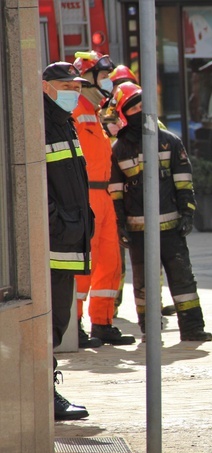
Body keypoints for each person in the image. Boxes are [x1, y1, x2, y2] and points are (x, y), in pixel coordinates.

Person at [108, 82, 212, 342]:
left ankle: (192, 328)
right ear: (124, 114)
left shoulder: (170, 142)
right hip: (138, 231)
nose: (141, 111)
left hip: (171, 228)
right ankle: (150, 330)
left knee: (183, 279)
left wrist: (188, 215)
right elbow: (116, 191)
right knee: (144, 285)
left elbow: (184, 182)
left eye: (145, 105)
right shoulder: (119, 149)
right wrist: (120, 224)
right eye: (134, 107)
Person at [72, 50, 136, 347]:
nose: (108, 82)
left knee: (110, 263)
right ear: (85, 78)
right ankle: (75, 326)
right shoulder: (74, 111)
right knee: (84, 265)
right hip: (87, 194)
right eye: (102, 76)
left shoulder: (95, 112)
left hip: (105, 195)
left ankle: (103, 323)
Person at [42, 61, 93, 420]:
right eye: (68, 87)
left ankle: (46, 390)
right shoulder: (40, 124)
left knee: (58, 318)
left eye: (77, 88)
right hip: (56, 238)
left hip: (69, 234)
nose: (74, 94)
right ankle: (46, 394)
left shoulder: (65, 123)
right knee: (51, 319)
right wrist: (56, 224)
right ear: (47, 87)